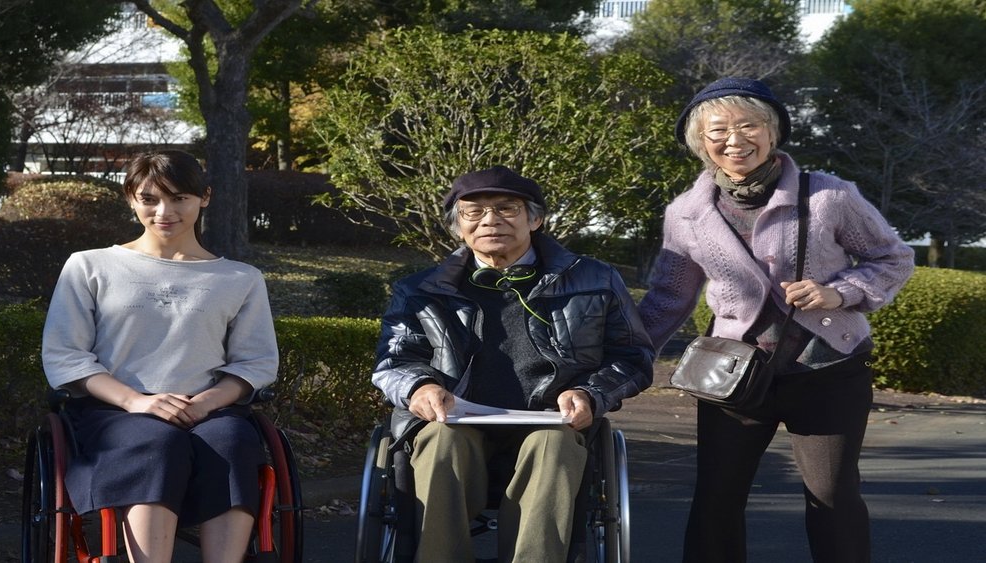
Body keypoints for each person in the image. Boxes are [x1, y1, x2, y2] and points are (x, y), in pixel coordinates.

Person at [638, 77, 915, 563]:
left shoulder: (827, 195)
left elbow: (892, 258)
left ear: (772, 133)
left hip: (827, 370)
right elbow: (667, 298)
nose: (734, 139)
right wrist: (622, 363)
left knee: (832, 497)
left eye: (749, 126)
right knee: (716, 500)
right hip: (732, 375)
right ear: (701, 142)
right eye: (718, 129)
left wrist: (838, 292)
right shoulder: (685, 214)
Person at [372, 165, 655, 562]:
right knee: (438, 442)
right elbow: (395, 360)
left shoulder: (594, 278)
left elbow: (632, 358)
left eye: (507, 209)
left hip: (550, 424)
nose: (490, 220)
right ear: (458, 227)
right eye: (474, 212)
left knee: (552, 446)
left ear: (534, 219)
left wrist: (590, 394)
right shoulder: (420, 289)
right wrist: (420, 387)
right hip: (458, 422)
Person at [41, 150, 279, 563]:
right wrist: (138, 401)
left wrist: (204, 402)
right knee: (156, 442)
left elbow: (255, 362)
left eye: (179, 198)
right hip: (114, 410)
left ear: (205, 197)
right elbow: (66, 356)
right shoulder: (90, 266)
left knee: (232, 442)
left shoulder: (240, 278)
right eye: (149, 198)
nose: (164, 211)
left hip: (210, 409)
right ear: (131, 199)